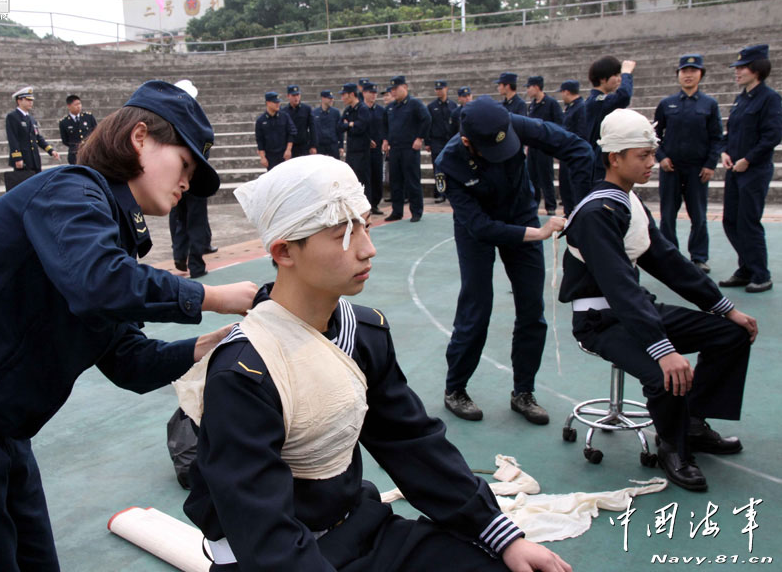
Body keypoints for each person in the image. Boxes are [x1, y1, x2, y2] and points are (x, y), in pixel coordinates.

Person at [0, 80, 259, 570]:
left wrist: (211, 343)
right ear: (139, 138)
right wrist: (214, 297)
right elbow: (99, 284)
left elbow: (131, 361)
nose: (187, 182)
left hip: (0, 432)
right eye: (185, 164)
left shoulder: (106, 237)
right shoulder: (70, 191)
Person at [176, 154, 572, 572]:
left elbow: (412, 443)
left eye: (364, 224)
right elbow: (265, 534)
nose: (368, 247)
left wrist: (500, 535)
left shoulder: (363, 332)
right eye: (343, 233)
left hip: (360, 528)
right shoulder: (245, 372)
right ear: (284, 251)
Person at [559, 108, 756, 492]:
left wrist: (725, 309)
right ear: (614, 158)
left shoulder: (629, 203)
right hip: (600, 322)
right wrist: (662, 348)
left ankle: (693, 424)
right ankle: (672, 447)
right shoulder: (597, 212)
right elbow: (618, 286)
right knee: (666, 374)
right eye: (642, 155)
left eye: (652, 154)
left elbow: (667, 261)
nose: (652, 163)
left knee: (730, 335)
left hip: (634, 312)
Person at [436, 96, 593, 425]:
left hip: (520, 212)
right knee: (477, 307)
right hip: (478, 228)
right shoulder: (449, 163)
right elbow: (479, 226)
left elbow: (578, 150)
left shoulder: (514, 124)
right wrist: (537, 234)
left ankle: (523, 391)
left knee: (532, 309)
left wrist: (579, 211)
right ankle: (456, 389)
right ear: (467, 142)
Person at [718, 44, 782, 293]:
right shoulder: (740, 99)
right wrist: (724, 152)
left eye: (742, 68)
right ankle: (746, 268)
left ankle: (760, 273)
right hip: (735, 170)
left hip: (754, 171)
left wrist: (748, 159)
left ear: (757, 70)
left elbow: (773, 135)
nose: (737, 72)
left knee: (748, 222)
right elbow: (730, 133)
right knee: (731, 221)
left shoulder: (770, 98)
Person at [653, 54, 723, 274]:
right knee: (668, 215)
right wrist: (661, 157)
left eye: (693, 71)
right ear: (678, 75)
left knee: (699, 215)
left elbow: (716, 137)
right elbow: (654, 135)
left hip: (697, 169)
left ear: (701, 74)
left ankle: (699, 257)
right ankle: (669, 256)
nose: (688, 75)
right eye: (684, 71)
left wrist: (711, 164)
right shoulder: (666, 104)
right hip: (670, 168)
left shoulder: (709, 104)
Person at [381, 75, 431, 223]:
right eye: (392, 90)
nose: (394, 92)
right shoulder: (390, 107)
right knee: (395, 181)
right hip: (395, 148)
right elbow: (385, 125)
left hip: (409, 148)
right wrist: (385, 140)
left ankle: (416, 211)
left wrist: (420, 138)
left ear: (405, 87)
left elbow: (426, 119)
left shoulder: (414, 104)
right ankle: (397, 211)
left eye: (396, 88)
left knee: (412, 180)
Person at [585, 57, 635, 182]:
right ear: (603, 79)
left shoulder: (598, 100)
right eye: (616, 75)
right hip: (597, 165)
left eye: (620, 75)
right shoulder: (597, 101)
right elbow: (623, 96)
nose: (619, 79)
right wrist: (627, 73)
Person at [5, 86, 60, 190]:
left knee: (36, 187)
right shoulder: (13, 117)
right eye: (27, 100)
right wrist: (17, 157)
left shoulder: (31, 118)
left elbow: (37, 137)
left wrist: (50, 150)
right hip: (23, 159)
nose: (31, 102)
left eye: (31, 100)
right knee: (23, 188)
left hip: (34, 158)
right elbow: (13, 138)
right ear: (19, 100)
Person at [525, 76, 564, 215]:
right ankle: (534, 204)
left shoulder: (551, 103)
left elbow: (559, 123)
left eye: (529, 87)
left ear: (536, 87)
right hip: (533, 146)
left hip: (545, 146)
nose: (528, 90)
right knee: (532, 177)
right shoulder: (533, 105)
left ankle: (551, 206)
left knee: (546, 177)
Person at [338, 83, 372, 199]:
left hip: (362, 150)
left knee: (363, 179)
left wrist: (349, 124)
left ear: (352, 94)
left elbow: (360, 127)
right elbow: (340, 126)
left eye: (344, 95)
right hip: (351, 149)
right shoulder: (348, 110)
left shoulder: (363, 109)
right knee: (352, 178)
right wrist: (350, 125)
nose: (342, 98)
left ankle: (367, 205)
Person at [426, 79, 458, 204]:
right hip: (436, 141)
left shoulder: (453, 105)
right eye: (437, 89)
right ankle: (440, 193)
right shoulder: (431, 106)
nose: (439, 91)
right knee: (438, 167)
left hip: (450, 140)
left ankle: (452, 192)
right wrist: (427, 142)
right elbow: (428, 125)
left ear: (446, 89)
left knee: (451, 167)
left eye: (441, 89)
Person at [559, 80, 587, 215]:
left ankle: (575, 212)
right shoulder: (570, 107)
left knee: (573, 185)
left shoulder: (581, 107)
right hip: (567, 152)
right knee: (565, 185)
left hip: (574, 152)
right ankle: (568, 211)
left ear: (567, 92)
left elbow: (581, 132)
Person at [169, 193, 211, 278]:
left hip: (178, 186)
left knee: (181, 219)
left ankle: (179, 255)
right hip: (196, 186)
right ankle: (196, 266)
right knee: (197, 223)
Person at [256, 91, 296, 170]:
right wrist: (262, 157)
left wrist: (288, 150)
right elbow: (260, 140)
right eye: (275, 102)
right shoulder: (261, 120)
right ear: (268, 103)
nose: (278, 104)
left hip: (283, 154)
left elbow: (291, 133)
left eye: (278, 102)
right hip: (270, 156)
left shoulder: (284, 117)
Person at [364, 82, 386, 215]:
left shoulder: (381, 111)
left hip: (377, 148)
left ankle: (375, 204)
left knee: (377, 176)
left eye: (375, 93)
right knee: (365, 177)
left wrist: (385, 140)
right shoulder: (360, 109)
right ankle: (366, 204)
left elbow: (385, 127)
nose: (373, 95)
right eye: (370, 93)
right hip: (363, 149)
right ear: (364, 93)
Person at [59, 94, 98, 165]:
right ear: (69, 106)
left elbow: (96, 132)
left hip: (89, 152)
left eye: (79, 104)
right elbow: (65, 140)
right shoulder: (64, 122)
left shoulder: (88, 117)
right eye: (76, 104)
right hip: (74, 154)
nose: (79, 106)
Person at [284, 84, 318, 158]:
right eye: (293, 95)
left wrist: (313, 145)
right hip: (290, 146)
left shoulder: (306, 109)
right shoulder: (284, 111)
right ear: (288, 96)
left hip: (304, 145)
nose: (296, 98)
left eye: (298, 95)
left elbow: (312, 128)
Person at [313, 90, 343, 158]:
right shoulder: (314, 113)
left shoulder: (336, 112)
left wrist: (341, 146)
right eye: (329, 98)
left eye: (332, 98)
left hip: (332, 145)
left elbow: (340, 130)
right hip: (320, 146)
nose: (331, 100)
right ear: (323, 99)